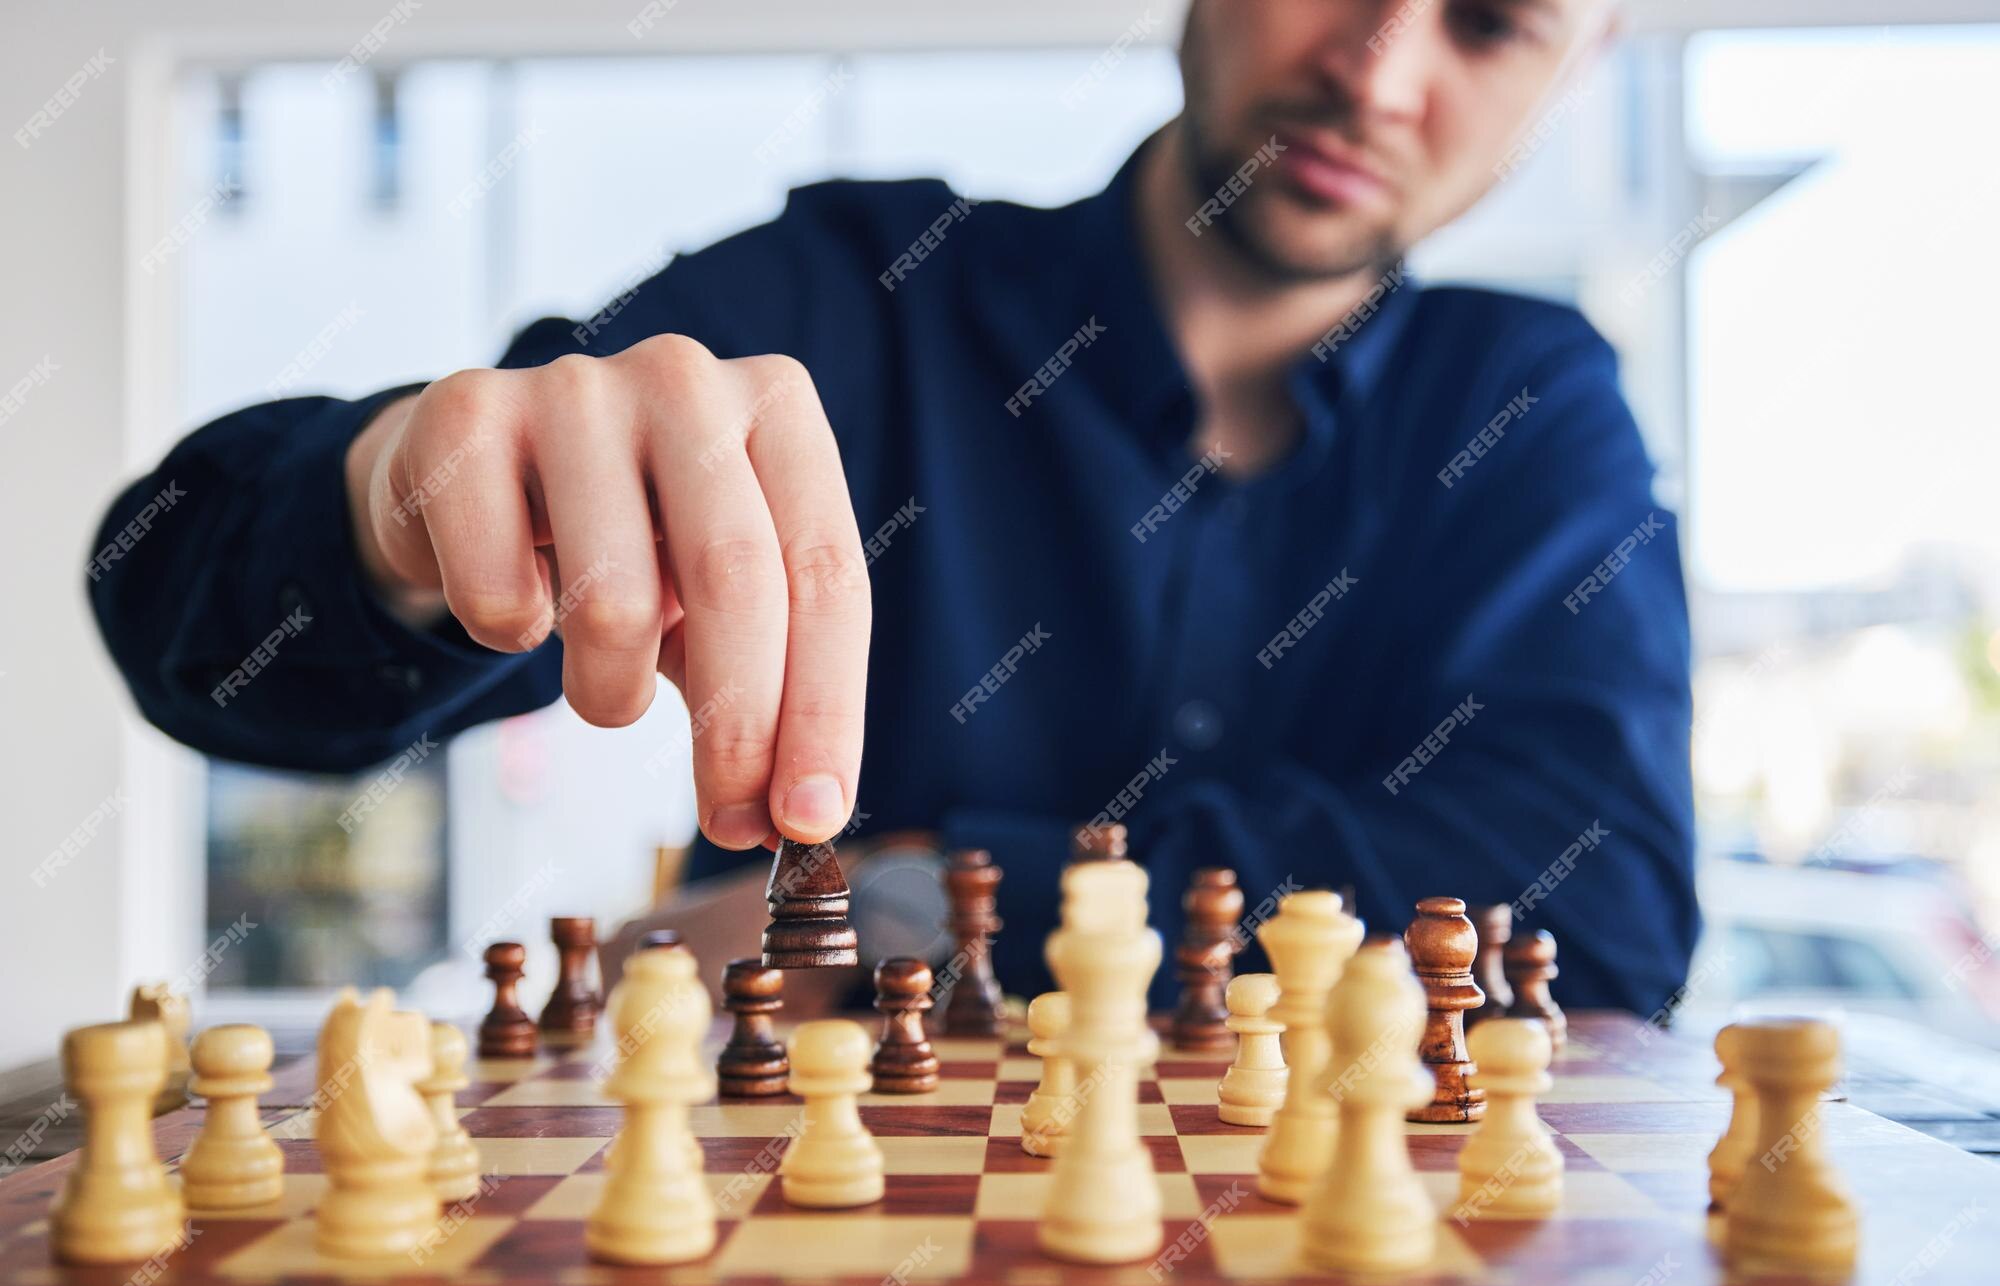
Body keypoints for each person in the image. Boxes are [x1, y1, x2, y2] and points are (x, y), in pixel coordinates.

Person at [87, 0, 1695, 1012]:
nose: (1378, 68)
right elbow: (186, 629)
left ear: (1590, 54)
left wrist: (919, 890)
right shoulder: (854, 299)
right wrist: (395, 509)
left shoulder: (1532, 409)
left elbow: (1604, 912)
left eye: (1492, 22)